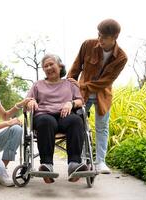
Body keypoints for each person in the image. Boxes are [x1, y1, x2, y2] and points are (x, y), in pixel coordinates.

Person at [67, 19, 128, 174]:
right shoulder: (88, 45)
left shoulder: (121, 57)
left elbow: (106, 81)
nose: (99, 40)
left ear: (115, 37)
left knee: (102, 127)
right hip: (82, 95)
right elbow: (75, 68)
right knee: (78, 125)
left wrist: (82, 85)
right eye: (99, 35)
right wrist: (68, 87)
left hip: (103, 95)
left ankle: (100, 161)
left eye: (104, 37)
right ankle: (80, 160)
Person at [26, 53, 87, 184]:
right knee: (46, 121)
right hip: (44, 116)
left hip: (65, 115)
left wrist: (71, 103)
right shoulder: (38, 85)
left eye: (51, 64)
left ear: (60, 66)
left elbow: (80, 101)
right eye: (45, 66)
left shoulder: (70, 84)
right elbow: (28, 100)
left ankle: (74, 165)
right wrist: (30, 102)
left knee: (76, 120)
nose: (48, 68)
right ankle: (47, 166)